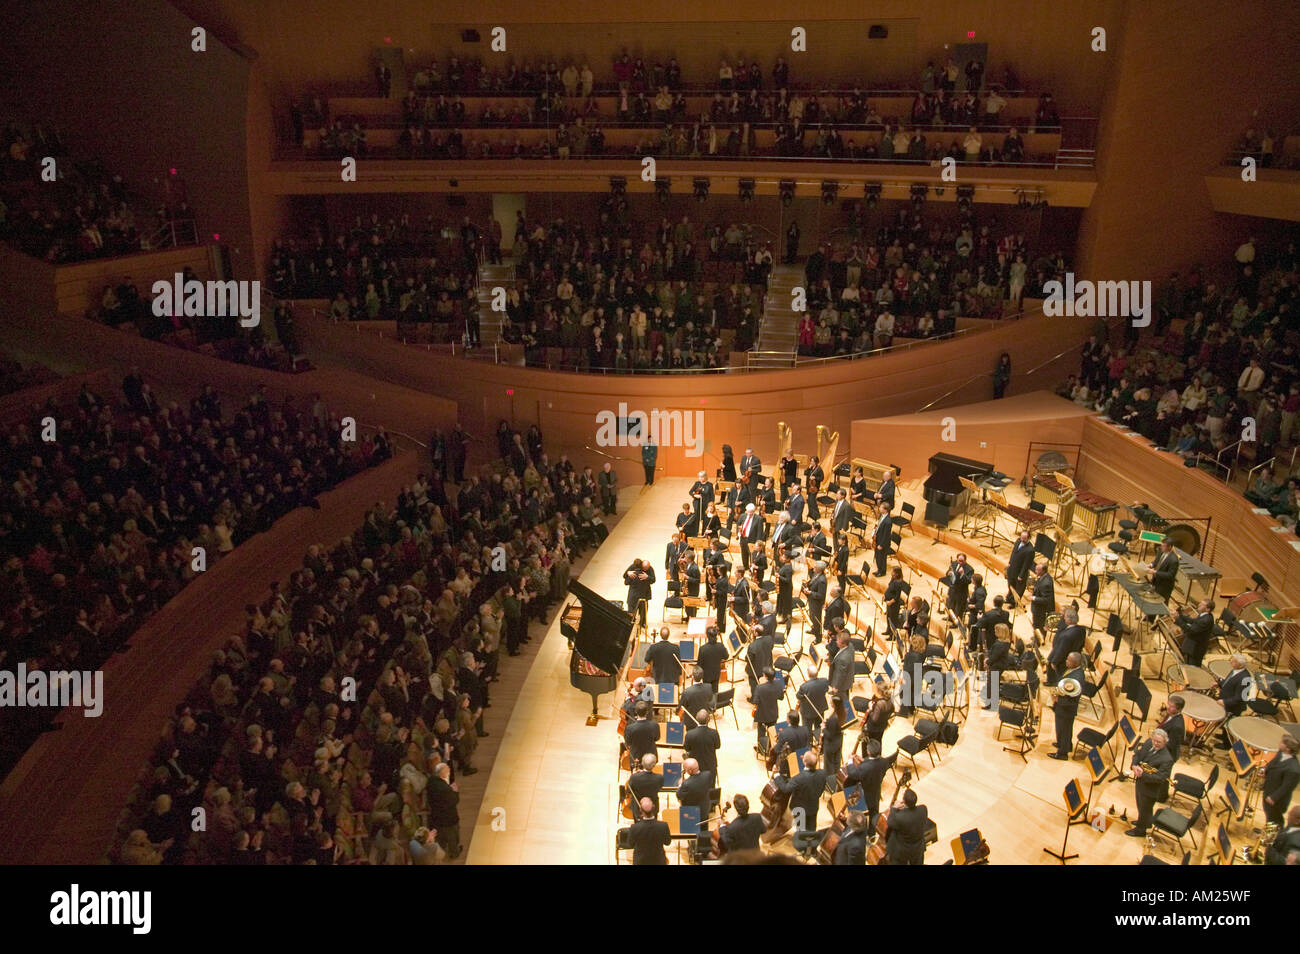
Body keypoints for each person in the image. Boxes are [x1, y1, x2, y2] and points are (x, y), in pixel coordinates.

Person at [1125, 728, 1174, 837]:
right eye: (1154, 740)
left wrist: (1143, 774)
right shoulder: (1148, 742)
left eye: (1159, 742)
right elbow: (1137, 754)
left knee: (1146, 809)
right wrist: (1134, 765)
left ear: (1165, 743)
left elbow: (1160, 778)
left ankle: (1140, 830)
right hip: (1140, 782)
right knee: (1140, 805)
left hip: (1150, 789)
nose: (1155, 743)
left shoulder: (1167, 759)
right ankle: (1142, 821)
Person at [776, 750, 828, 838]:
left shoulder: (799, 778)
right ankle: (811, 846)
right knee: (812, 829)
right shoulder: (822, 774)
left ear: (804, 761)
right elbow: (822, 788)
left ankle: (803, 848)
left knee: (801, 830)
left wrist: (777, 776)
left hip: (799, 809)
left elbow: (786, 788)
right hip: (813, 806)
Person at [843, 739, 890, 826]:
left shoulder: (865, 768)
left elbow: (853, 774)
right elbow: (874, 765)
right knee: (874, 813)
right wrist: (864, 761)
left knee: (862, 814)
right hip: (876, 790)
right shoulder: (884, 761)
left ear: (868, 752)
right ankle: (872, 832)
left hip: (866, 793)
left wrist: (850, 761)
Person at [1050, 651, 1086, 760]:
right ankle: (1064, 745)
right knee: (1063, 729)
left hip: (1066, 709)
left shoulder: (1077, 678)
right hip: (1063, 707)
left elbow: (1073, 699)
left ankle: (1062, 753)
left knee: (1064, 730)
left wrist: (1058, 700)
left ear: (1075, 663)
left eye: (1068, 660)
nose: (1066, 661)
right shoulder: (1074, 670)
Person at [1262, 734, 1299, 826]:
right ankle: (1267, 835)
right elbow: (1272, 764)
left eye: (1282, 743)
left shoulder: (1293, 769)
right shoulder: (1280, 753)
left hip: (1277, 800)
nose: (1279, 743)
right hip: (1268, 791)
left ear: (1288, 749)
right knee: (1268, 816)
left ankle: (1275, 838)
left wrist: (1273, 797)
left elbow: (1287, 787)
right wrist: (1265, 771)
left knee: (1275, 820)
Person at [885, 788, 929, 864]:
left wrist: (894, 808)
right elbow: (913, 813)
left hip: (903, 851)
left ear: (904, 801)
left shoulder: (899, 817)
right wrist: (906, 808)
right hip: (918, 848)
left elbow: (890, 822)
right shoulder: (923, 809)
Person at [426, 763, 461, 859]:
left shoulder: (431, 781)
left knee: (440, 838)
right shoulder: (445, 789)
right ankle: (454, 853)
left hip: (436, 816)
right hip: (448, 818)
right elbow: (454, 801)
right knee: (453, 837)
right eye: (448, 772)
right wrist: (455, 791)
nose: (449, 773)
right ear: (443, 775)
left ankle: (441, 853)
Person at [1046, 605, 1086, 684]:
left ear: (1069, 620)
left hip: (1064, 660)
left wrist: (1054, 662)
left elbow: (1061, 651)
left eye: (1066, 617)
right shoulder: (1082, 630)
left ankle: (1054, 683)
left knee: (1059, 676)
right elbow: (1082, 644)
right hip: (1074, 655)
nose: (1064, 618)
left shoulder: (1066, 636)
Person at [627, 797, 672, 864]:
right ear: (654, 809)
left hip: (641, 861)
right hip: (658, 861)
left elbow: (630, 844)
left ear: (641, 811)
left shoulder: (635, 828)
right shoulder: (663, 826)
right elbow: (667, 842)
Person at [1174, 599, 1215, 667]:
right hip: (1192, 647)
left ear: (1208, 609)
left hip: (1195, 649)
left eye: (1202, 605)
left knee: (1193, 669)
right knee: (1187, 665)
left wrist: (1178, 620)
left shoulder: (1206, 620)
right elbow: (1193, 621)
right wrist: (1180, 616)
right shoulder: (1204, 615)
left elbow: (1191, 630)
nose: (1199, 605)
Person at [685, 711, 722, 781]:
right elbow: (717, 746)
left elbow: (687, 748)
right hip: (710, 765)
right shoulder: (714, 733)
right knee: (710, 787)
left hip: (695, 766)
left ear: (696, 718)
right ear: (708, 719)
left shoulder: (690, 734)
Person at [753, 668, 782, 755]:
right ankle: (770, 748)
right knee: (772, 732)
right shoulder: (779, 685)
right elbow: (781, 697)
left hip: (762, 714)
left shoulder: (759, 687)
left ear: (765, 677)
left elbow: (755, 701)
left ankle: (762, 749)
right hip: (773, 713)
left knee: (761, 732)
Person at [628, 753, 663, 818]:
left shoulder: (634, 777)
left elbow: (628, 791)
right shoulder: (659, 778)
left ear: (642, 763)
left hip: (638, 807)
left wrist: (634, 775)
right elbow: (659, 788)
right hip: (652, 807)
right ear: (654, 765)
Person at [624, 558, 655, 627]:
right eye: (644, 568)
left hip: (636, 596)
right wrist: (628, 573)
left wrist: (647, 577)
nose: (645, 570)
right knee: (641, 610)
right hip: (642, 595)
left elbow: (653, 579)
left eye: (646, 568)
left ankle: (639, 623)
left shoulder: (650, 569)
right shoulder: (633, 567)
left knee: (640, 611)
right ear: (641, 565)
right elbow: (624, 575)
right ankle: (640, 624)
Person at [1156, 695, 1188, 762]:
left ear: (1179, 709)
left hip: (1165, 756)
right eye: (1168, 704)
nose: (1168, 707)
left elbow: (1170, 746)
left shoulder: (1177, 727)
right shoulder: (1171, 714)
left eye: (1171, 706)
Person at [1147, 538, 1179, 603]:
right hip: (1156, 582)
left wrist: (1155, 572)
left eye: (1163, 546)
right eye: (1161, 545)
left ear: (1169, 547)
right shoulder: (1161, 551)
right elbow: (1156, 561)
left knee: (1162, 606)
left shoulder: (1174, 560)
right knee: (1153, 603)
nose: (1161, 547)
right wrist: (1151, 565)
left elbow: (1170, 575)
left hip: (1164, 586)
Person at [1006, 531, 1035, 601]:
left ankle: (1014, 603)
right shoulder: (1018, 541)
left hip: (1020, 573)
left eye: (1024, 538)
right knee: (1010, 585)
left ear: (1029, 538)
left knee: (1017, 589)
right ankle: (1009, 599)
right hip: (1012, 568)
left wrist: (1021, 575)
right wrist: (1010, 562)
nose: (1022, 540)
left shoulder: (1030, 550)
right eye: (1021, 537)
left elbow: (1026, 564)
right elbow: (1013, 552)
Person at [698, 626, 728, 693]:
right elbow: (726, 656)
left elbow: (699, 664)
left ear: (707, 636)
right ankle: (714, 703)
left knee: (706, 693)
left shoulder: (703, 648)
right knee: (715, 691)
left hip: (706, 675)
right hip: (716, 673)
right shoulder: (720, 646)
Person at [1030, 563, 1055, 632]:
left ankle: (1039, 641)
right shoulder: (1044, 577)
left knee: (1039, 627)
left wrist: (1034, 598)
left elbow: (1046, 600)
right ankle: (1036, 637)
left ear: (1043, 571)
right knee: (1036, 625)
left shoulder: (1046, 583)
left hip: (1041, 611)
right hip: (1038, 609)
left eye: (1037, 570)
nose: (1035, 571)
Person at [872, 503, 893, 576]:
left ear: (885, 510)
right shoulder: (882, 516)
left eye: (881, 508)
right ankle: (879, 570)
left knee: (882, 558)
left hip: (883, 543)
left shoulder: (888, 521)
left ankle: (882, 572)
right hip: (878, 539)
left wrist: (881, 544)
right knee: (878, 557)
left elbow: (886, 535)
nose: (879, 508)